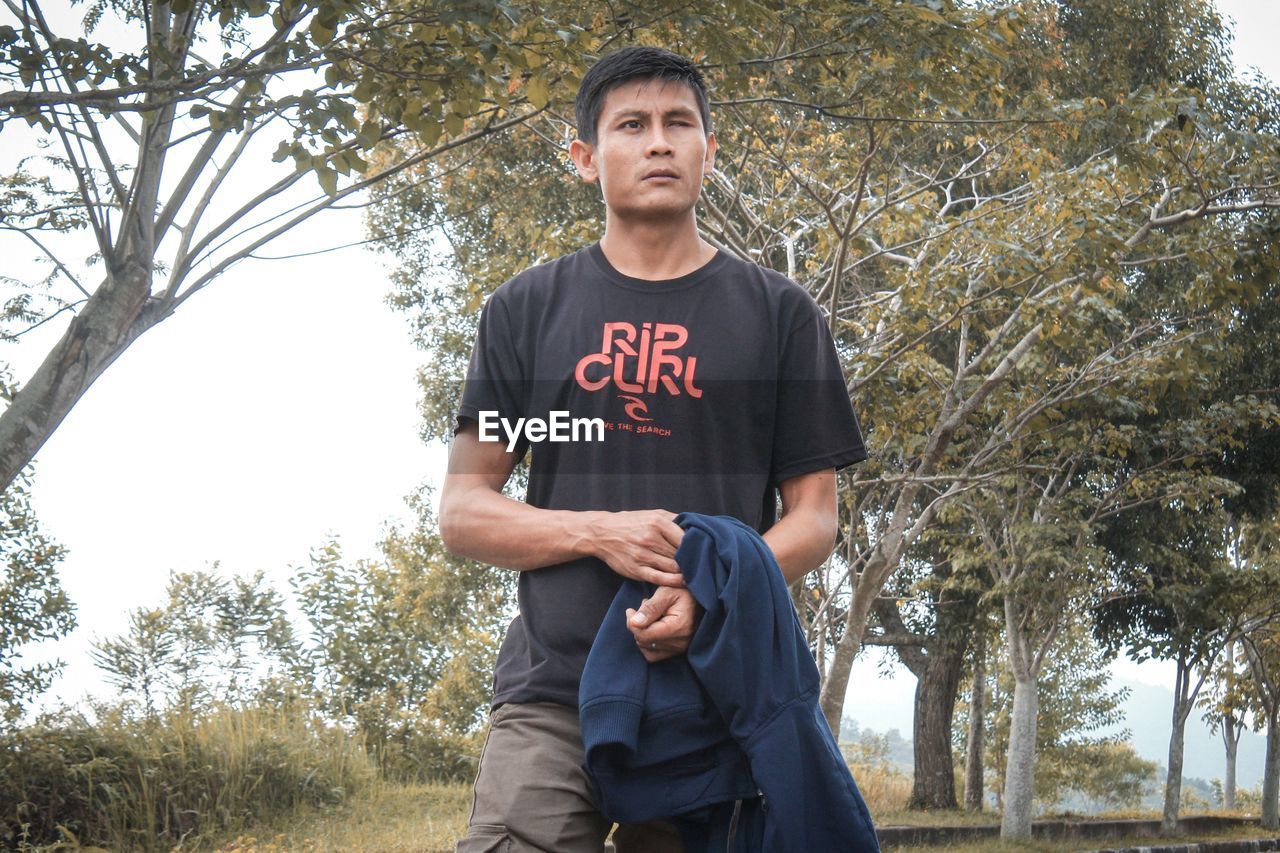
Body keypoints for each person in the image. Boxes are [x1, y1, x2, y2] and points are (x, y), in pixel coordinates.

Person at [442, 45, 868, 853]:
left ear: (711, 148)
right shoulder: (525, 312)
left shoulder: (780, 317)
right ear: (585, 158)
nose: (659, 142)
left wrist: (713, 592)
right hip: (551, 694)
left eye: (680, 123)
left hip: (711, 689)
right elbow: (465, 510)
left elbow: (813, 518)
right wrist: (596, 530)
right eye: (631, 125)